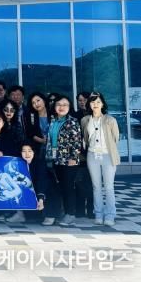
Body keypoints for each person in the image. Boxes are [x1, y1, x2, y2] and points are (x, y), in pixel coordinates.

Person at [82, 92, 120, 227]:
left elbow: (115, 138)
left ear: (103, 104)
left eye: (98, 102)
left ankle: (110, 215)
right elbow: (86, 138)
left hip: (108, 155)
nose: (95, 104)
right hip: (92, 155)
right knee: (96, 186)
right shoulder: (85, 120)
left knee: (109, 187)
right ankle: (98, 214)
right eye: (92, 102)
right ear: (89, 104)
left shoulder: (110, 120)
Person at [47, 95, 83, 226]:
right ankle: (63, 213)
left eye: (65, 105)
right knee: (60, 187)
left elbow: (77, 141)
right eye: (59, 104)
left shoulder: (72, 121)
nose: (61, 107)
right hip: (55, 159)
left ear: (69, 107)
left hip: (69, 160)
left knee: (68, 187)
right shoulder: (53, 120)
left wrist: (73, 157)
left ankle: (70, 214)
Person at [24, 92, 50, 157]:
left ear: (44, 100)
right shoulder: (31, 116)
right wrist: (42, 141)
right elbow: (30, 133)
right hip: (38, 148)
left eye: (38, 100)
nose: (36, 104)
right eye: (33, 103)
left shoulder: (52, 113)